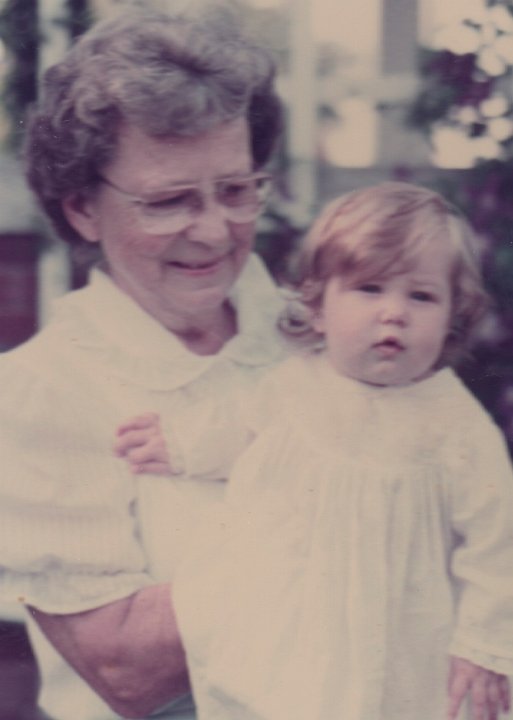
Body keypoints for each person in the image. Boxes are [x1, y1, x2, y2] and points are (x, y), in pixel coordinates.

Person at [116, 183, 513, 720]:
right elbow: (237, 427)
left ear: (450, 320)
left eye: (421, 296)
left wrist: (484, 644)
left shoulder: (457, 425)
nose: (394, 313)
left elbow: (497, 541)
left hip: (399, 636)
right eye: (370, 289)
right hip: (293, 617)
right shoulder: (294, 385)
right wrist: (180, 442)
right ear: (319, 307)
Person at [0, 6, 287, 720]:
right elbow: (127, 669)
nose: (215, 230)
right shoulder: (42, 393)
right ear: (82, 210)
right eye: (169, 201)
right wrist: (359, 517)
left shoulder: (315, 336)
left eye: (236, 189)